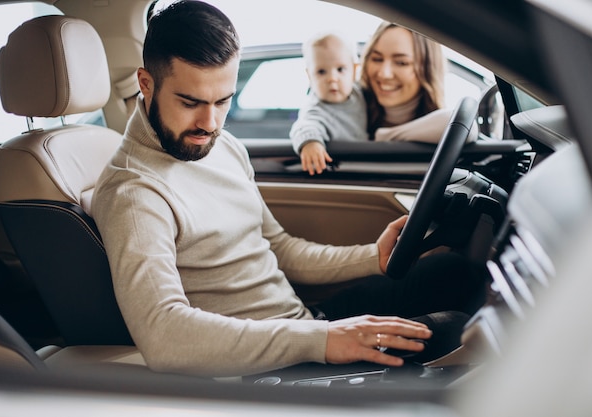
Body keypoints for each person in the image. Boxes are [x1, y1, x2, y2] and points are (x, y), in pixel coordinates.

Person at [92, 0, 482, 378]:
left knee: (453, 271)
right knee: (456, 332)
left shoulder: (224, 146)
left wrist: (371, 258)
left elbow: (279, 249)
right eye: (190, 102)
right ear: (147, 84)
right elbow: (164, 337)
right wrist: (323, 341)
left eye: (223, 100)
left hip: (302, 326)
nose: (210, 123)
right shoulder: (133, 191)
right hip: (262, 369)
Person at [361, 21, 478, 143]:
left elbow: (465, 126)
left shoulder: (438, 122)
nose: (384, 73)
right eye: (377, 59)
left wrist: (386, 136)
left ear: (427, 69)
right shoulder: (351, 104)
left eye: (401, 62)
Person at [290, 31, 367, 175]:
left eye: (340, 69)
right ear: (309, 76)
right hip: (340, 169)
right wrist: (311, 143)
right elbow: (304, 126)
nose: (332, 78)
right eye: (321, 72)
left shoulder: (359, 93)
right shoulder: (316, 108)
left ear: (355, 70)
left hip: (367, 162)